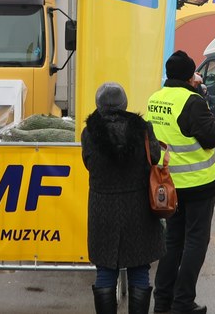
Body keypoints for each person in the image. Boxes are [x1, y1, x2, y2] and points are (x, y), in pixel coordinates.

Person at [146, 51, 215, 314]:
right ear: (191, 75)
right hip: (197, 184)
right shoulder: (192, 101)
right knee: (195, 242)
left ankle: (163, 300)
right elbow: (212, 137)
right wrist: (206, 107)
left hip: (167, 183)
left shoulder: (155, 98)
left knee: (172, 241)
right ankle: (183, 301)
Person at [83, 83, 165, 314]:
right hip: (138, 207)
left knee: (105, 270)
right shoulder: (143, 129)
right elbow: (155, 157)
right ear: (125, 103)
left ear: (99, 105)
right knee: (140, 268)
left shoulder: (90, 132)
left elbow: (89, 163)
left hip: (103, 208)